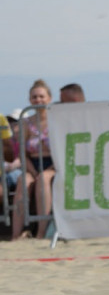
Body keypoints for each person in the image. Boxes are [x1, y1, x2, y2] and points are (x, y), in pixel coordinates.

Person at [11, 80, 55, 240]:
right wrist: (33, 171)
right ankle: (15, 234)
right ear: (30, 100)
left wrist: (47, 170)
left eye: (41, 96)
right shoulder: (26, 122)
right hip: (32, 163)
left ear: (49, 98)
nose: (38, 100)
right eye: (34, 97)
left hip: (53, 163)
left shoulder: (56, 120)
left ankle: (41, 232)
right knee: (23, 181)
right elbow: (22, 153)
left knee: (43, 180)